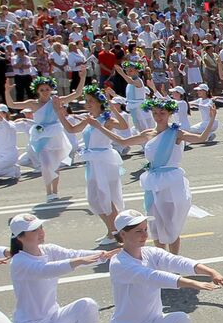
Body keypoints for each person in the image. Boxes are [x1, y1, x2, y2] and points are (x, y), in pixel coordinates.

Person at [108, 210, 223, 323]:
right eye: (138, 231)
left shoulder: (149, 253)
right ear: (123, 234)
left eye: (145, 229)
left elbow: (176, 261)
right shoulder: (120, 264)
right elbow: (152, 276)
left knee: (181, 320)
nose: (144, 235)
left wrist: (210, 272)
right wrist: (194, 284)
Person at [86, 97, 216, 254]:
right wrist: (99, 127)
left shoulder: (176, 133)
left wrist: (211, 119)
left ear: (169, 114)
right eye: (155, 112)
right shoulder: (148, 134)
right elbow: (123, 141)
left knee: (170, 225)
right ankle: (161, 258)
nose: (158, 116)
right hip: (152, 181)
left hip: (171, 181)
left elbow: (201, 138)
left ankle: (174, 260)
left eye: (162, 112)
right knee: (155, 224)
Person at [8, 213, 115, 323]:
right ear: (20, 238)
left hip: (53, 317)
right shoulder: (19, 262)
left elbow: (73, 254)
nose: (41, 232)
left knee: (87, 305)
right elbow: (46, 270)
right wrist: (78, 262)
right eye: (34, 230)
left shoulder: (48, 250)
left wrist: (104, 255)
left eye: (40, 227)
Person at [55, 84, 130, 245]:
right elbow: (71, 129)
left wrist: (112, 106)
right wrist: (60, 114)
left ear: (98, 102)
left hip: (104, 160)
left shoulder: (106, 119)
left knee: (105, 198)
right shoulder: (90, 119)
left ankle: (116, 234)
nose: (87, 103)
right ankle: (113, 231)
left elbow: (124, 126)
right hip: (93, 162)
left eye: (91, 101)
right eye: (86, 100)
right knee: (95, 199)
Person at [3, 76, 73, 202]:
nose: (45, 92)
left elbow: (77, 94)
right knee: (45, 165)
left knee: (56, 166)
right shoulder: (33, 103)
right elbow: (11, 104)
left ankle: (55, 192)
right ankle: (48, 192)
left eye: (47, 89)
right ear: (37, 91)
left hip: (56, 136)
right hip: (41, 136)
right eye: (42, 90)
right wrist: (7, 91)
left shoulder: (57, 101)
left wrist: (83, 77)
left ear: (51, 89)